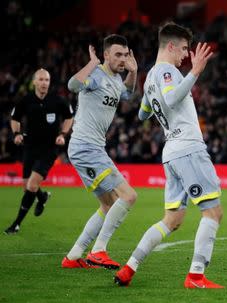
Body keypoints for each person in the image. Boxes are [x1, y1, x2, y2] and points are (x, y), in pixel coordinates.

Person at [114, 22, 224, 289]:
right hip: (188, 148)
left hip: (171, 153)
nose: (186, 55)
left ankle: (129, 268)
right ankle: (196, 276)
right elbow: (173, 99)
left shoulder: (150, 76)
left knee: (172, 220)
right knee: (213, 213)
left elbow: (142, 114)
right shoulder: (167, 71)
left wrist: (154, 105)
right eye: (184, 49)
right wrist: (195, 72)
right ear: (171, 46)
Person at [61, 34, 138, 269]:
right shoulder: (95, 76)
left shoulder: (116, 79)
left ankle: (73, 256)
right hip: (86, 147)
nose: (122, 59)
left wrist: (133, 73)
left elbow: (127, 94)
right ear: (106, 55)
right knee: (128, 196)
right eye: (118, 54)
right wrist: (92, 63)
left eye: (125, 55)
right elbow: (72, 86)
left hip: (91, 148)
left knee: (108, 204)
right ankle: (99, 251)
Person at [4, 69, 74, 235]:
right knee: (27, 188)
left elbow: (69, 116)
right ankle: (42, 197)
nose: (44, 83)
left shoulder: (57, 100)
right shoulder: (26, 100)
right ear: (34, 82)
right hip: (30, 147)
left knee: (32, 185)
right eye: (41, 79)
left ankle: (16, 224)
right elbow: (15, 118)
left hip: (49, 148)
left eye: (47, 80)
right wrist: (16, 134)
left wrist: (63, 134)